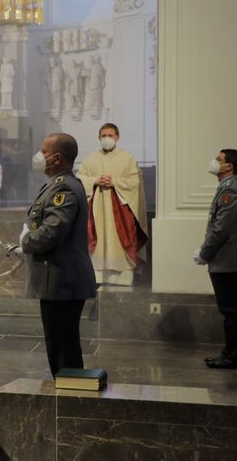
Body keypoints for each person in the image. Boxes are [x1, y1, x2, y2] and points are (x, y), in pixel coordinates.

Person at [14, 133, 96, 377]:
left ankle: (69, 399)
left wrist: (26, 242)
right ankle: (68, 393)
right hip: (59, 280)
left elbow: (53, 231)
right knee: (60, 344)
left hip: (62, 280)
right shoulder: (59, 183)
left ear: (57, 158)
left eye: (43, 151)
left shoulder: (64, 187)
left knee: (63, 348)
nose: (39, 156)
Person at [196, 149, 237, 369]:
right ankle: (231, 352)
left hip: (226, 259)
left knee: (230, 309)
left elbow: (221, 229)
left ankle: (234, 355)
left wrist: (204, 253)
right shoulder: (226, 189)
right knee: (229, 308)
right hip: (224, 259)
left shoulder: (232, 191)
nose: (214, 162)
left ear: (229, 166)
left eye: (219, 159)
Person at [76, 123, 149, 285]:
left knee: (120, 243)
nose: (107, 138)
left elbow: (135, 181)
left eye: (110, 135)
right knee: (98, 243)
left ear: (117, 137)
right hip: (97, 212)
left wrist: (114, 182)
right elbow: (80, 179)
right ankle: (98, 276)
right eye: (103, 135)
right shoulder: (91, 159)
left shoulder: (127, 158)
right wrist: (95, 180)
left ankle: (122, 277)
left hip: (120, 212)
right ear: (99, 137)